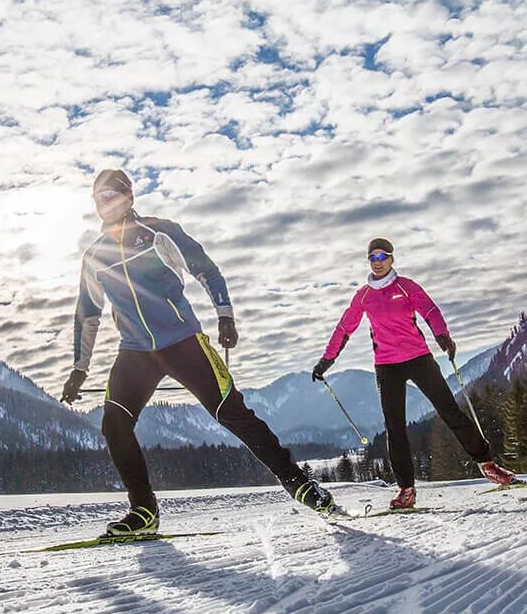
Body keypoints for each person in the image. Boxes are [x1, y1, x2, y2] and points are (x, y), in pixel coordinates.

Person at [61, 169, 337, 536]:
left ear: (128, 196)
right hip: (135, 351)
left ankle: (299, 482)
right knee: (114, 424)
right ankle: (144, 511)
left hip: (182, 341)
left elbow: (206, 270)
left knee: (231, 413)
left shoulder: (160, 232)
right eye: (97, 197)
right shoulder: (95, 256)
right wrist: (79, 369)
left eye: (111, 194)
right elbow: (88, 314)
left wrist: (225, 316)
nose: (104, 202)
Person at [312, 237, 515, 508]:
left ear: (392, 259)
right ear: (368, 261)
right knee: (394, 428)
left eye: (383, 256)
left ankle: (487, 463)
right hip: (386, 366)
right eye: (373, 257)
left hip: (419, 358)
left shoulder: (405, 287)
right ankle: (406, 489)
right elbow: (344, 328)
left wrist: (443, 337)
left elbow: (430, 310)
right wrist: (326, 360)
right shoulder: (363, 296)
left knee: (450, 411)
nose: (378, 262)